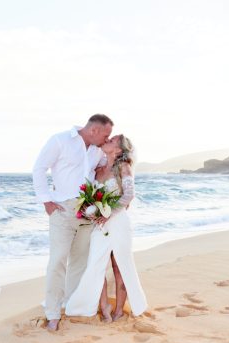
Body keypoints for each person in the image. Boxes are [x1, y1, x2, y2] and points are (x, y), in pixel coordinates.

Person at [32, 114, 113, 331]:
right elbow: (39, 168)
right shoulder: (60, 140)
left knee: (79, 261)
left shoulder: (97, 150)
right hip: (63, 209)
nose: (107, 139)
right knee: (58, 260)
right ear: (94, 130)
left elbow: (104, 172)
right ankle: (52, 313)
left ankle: (71, 305)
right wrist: (46, 201)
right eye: (106, 134)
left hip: (87, 210)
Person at [65, 134, 147, 321]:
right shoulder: (97, 170)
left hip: (118, 222)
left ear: (118, 150)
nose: (107, 140)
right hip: (99, 225)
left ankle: (119, 309)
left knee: (121, 266)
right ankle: (104, 307)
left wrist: (108, 213)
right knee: (96, 263)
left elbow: (128, 196)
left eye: (112, 141)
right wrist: (89, 209)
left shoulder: (123, 167)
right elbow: (90, 196)